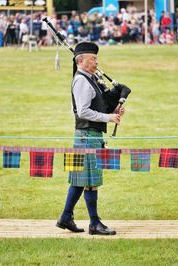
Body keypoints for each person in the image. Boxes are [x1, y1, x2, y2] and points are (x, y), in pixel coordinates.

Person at [56, 41, 125, 235]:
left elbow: (96, 105)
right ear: (80, 61)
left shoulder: (91, 78)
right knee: (90, 181)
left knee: (79, 179)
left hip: (87, 135)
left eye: (96, 58)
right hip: (86, 136)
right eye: (92, 58)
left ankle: (65, 217)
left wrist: (114, 110)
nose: (96, 62)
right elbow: (83, 111)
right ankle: (94, 223)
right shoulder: (81, 80)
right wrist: (108, 117)